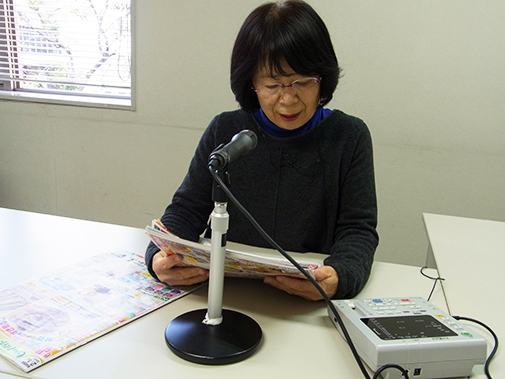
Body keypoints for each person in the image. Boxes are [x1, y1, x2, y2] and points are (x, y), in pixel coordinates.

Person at [145, 0, 378, 301]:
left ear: (322, 79)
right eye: (272, 85)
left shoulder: (349, 136)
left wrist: (342, 276)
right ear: (251, 83)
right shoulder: (225, 130)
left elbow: (358, 230)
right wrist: (157, 258)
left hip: (306, 302)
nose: (288, 99)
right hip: (230, 295)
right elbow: (186, 210)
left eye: (302, 82)